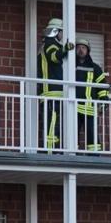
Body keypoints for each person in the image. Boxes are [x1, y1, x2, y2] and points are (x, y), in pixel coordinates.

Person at [38, 18, 74, 151]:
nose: (62, 35)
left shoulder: (51, 44)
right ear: (55, 31)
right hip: (51, 92)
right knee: (52, 123)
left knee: (55, 124)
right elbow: (54, 57)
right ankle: (50, 151)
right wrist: (65, 48)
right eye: (61, 32)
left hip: (55, 92)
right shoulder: (50, 44)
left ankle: (53, 149)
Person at [74, 38, 111, 152]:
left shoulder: (95, 68)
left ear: (88, 51)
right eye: (78, 47)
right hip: (74, 107)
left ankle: (94, 155)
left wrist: (103, 103)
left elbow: (102, 86)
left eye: (83, 48)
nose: (81, 50)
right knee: (73, 133)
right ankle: (73, 154)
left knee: (92, 134)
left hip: (90, 107)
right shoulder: (70, 66)